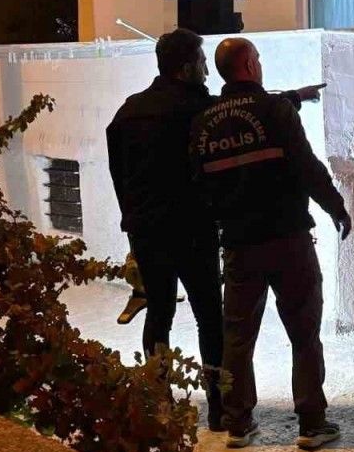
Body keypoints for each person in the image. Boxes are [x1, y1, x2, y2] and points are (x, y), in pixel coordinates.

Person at [106, 29, 323, 429]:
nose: (208, 72)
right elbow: (250, 110)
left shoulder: (128, 112)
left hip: (147, 232)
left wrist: (130, 218)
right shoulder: (199, 109)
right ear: (187, 67)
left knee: (159, 314)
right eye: (202, 63)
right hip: (193, 229)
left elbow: (117, 173)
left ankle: (159, 402)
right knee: (210, 317)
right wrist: (294, 98)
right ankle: (220, 409)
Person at [189, 37, 352, 452]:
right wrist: (336, 207)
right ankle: (311, 424)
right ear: (248, 64)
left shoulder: (203, 121)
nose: (260, 65)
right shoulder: (275, 111)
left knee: (237, 338)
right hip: (288, 240)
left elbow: (198, 186)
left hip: (239, 245)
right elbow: (307, 167)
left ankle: (238, 425)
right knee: (304, 331)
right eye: (257, 59)